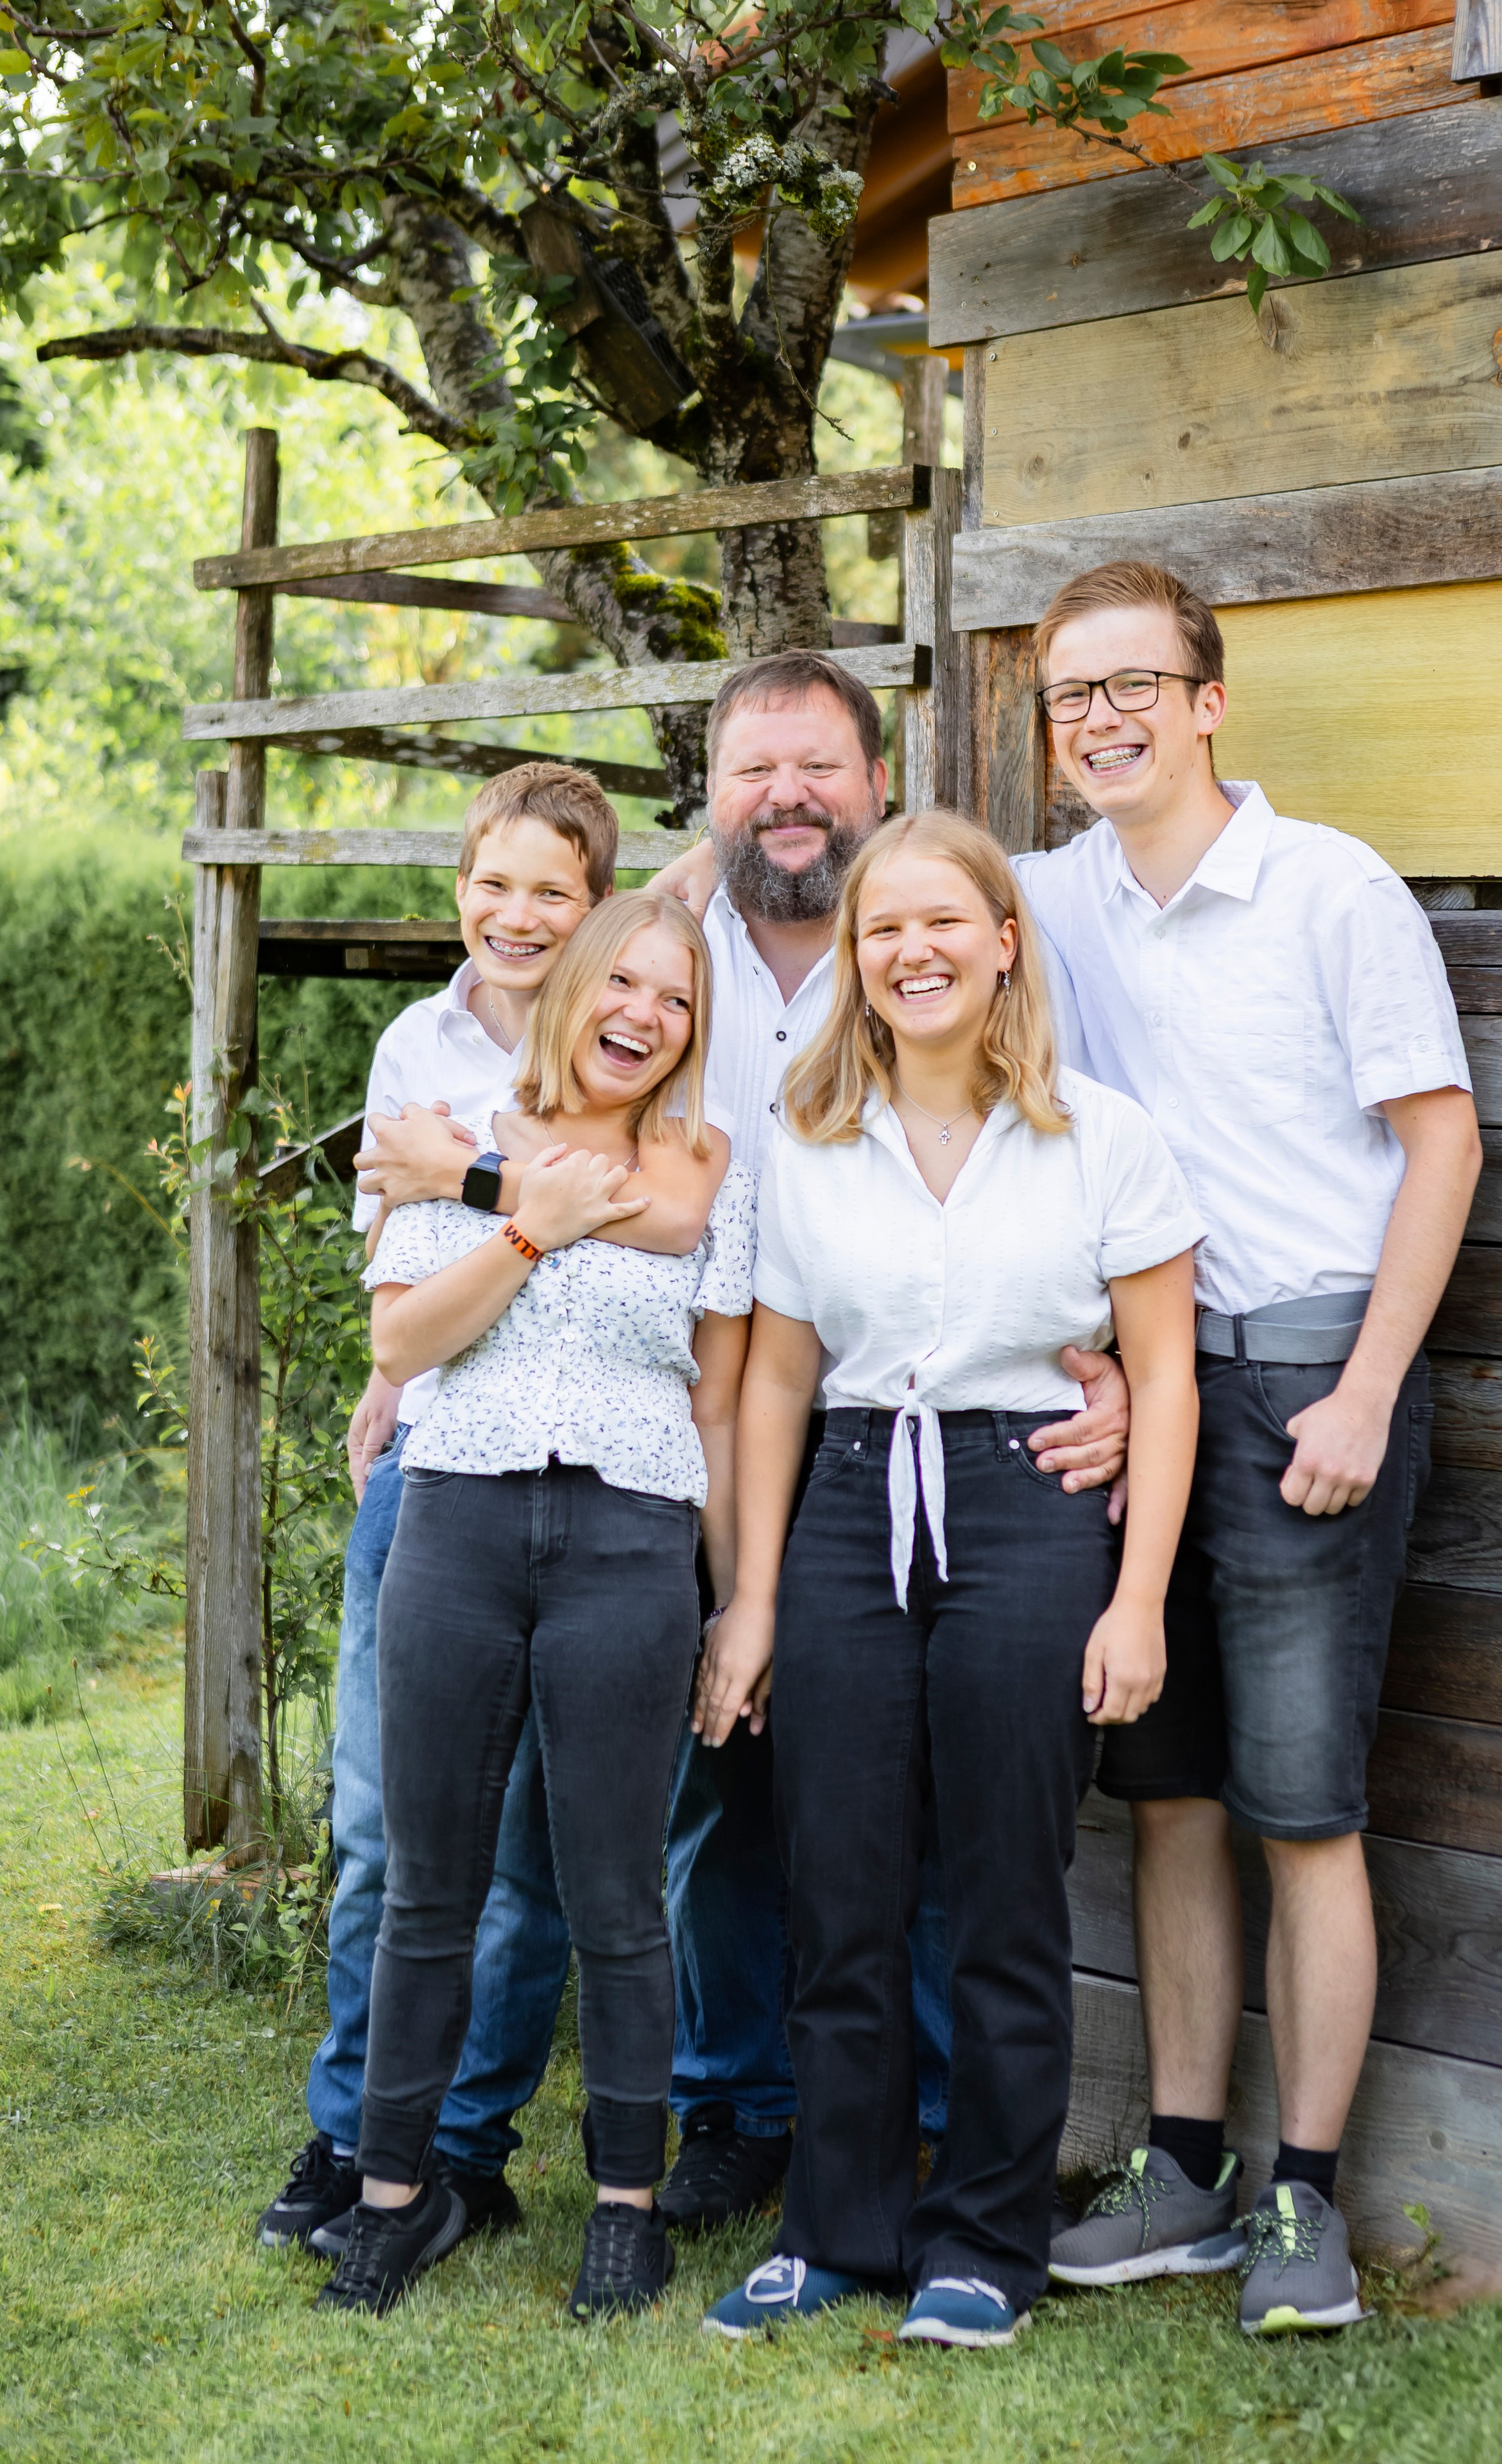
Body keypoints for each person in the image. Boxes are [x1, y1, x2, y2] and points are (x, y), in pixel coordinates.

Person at [364, 651, 1136, 2226]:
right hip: (651, 1431)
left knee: (893, 1799)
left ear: (874, 778)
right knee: (685, 1796)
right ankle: (705, 2109)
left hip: (880, 1426)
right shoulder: (643, 946)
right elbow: (428, 1141)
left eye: (818, 769)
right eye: (750, 772)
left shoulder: (912, 937)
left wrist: (1114, 1363)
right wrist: (453, 1253)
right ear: (707, 796)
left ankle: (921, 2117)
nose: (785, 798)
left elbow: (1048, 1169)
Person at [1020, 563, 1480, 2334]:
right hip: (1153, 1396)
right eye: (1073, 696)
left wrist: (1368, 1388)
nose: (1105, 719)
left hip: (1306, 1384)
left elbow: (1439, 1148)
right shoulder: (1056, 898)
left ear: (1211, 701)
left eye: (1137, 685)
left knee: (1304, 1812)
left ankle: (1308, 2206)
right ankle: (1188, 2175)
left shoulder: (1328, 890)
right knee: (1171, 1796)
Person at [696, 811, 1202, 2347]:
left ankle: (984, 2239)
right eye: (878, 930)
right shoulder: (806, 1135)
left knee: (999, 1891)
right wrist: (757, 1597)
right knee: (835, 1885)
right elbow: (777, 1382)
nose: (908, 951)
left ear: (1000, 942)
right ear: (852, 964)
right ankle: (837, 2227)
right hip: (850, 1499)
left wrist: (1135, 1601)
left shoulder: (1097, 1136)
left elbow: (1163, 1381)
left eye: (939, 923)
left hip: (1029, 1502)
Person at [255, 764, 718, 2261]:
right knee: (398, 1840)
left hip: (621, 1527)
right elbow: (400, 1321)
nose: (517, 917)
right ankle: (361, 2146)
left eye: (554, 894)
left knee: (563, 1867)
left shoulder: (684, 1133)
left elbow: (696, 1234)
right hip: (441, 1484)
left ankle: (472, 2146)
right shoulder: (425, 1054)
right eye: (494, 883)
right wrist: (509, 1196)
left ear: (595, 920)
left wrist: (472, 1175)